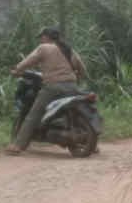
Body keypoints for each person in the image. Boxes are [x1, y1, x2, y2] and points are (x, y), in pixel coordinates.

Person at [6, 27, 88, 155]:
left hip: (53, 87)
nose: (41, 39)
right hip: (72, 86)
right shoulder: (68, 49)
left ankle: (17, 145)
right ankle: (92, 144)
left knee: (34, 114)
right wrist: (78, 76)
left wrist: (17, 70)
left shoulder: (44, 48)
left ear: (46, 37)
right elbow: (82, 68)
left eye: (42, 37)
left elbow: (28, 61)